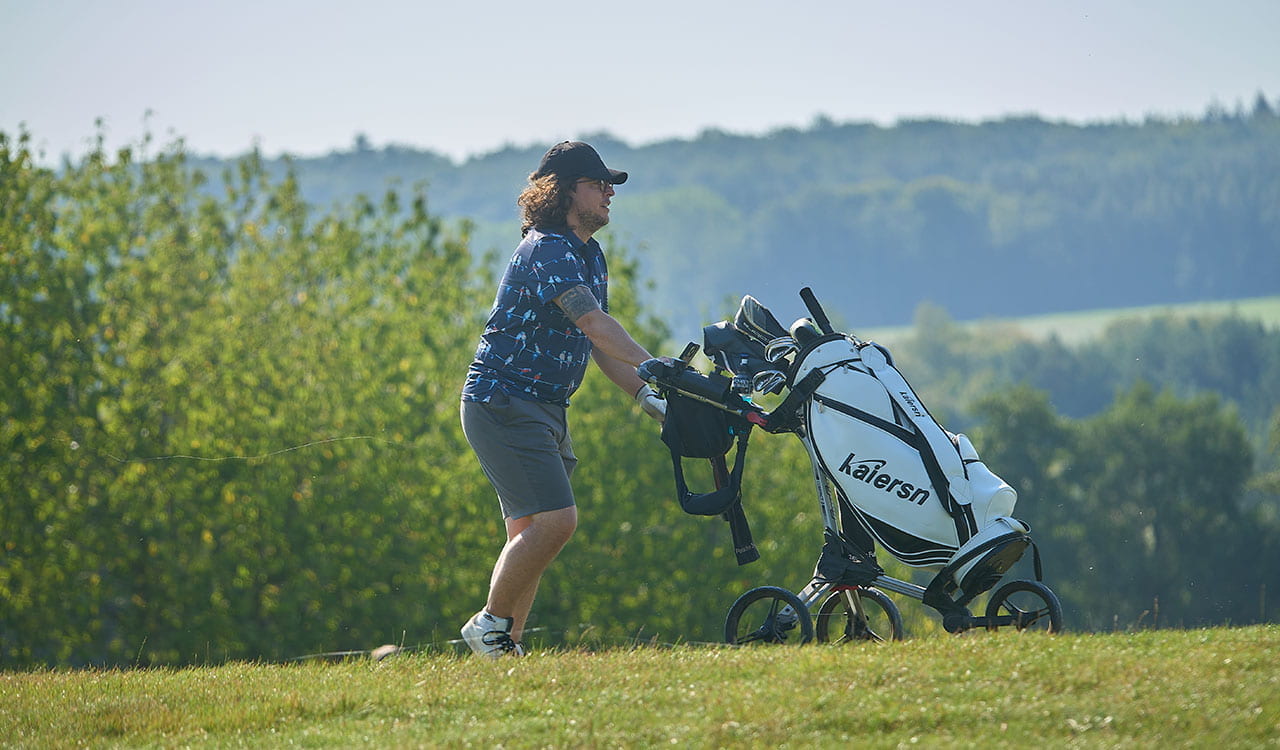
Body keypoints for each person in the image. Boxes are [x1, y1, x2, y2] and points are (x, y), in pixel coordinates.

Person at [459, 141, 666, 657]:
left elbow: (599, 347)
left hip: (542, 407)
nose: (609, 193)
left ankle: (505, 647)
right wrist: (658, 365)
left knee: (530, 532)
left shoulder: (587, 254)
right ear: (564, 191)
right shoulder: (546, 247)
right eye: (598, 184)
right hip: (506, 402)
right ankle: (488, 626)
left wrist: (649, 395)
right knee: (556, 522)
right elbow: (594, 323)